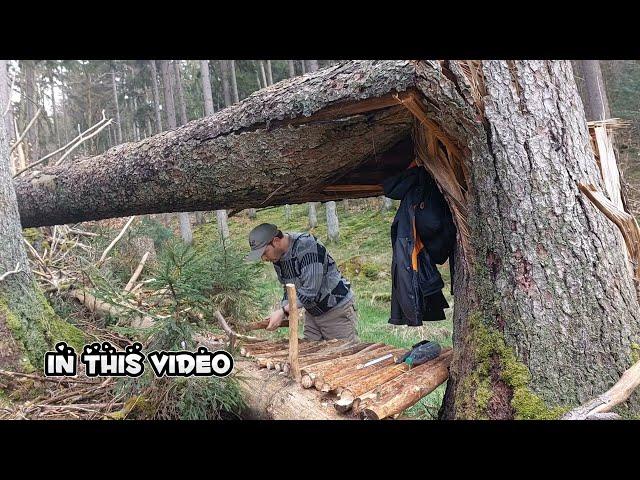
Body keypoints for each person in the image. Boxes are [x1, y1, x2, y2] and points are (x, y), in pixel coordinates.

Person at [245, 223, 358, 342]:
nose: (264, 258)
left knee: (342, 353)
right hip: (312, 313)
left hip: (335, 310)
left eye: (264, 252)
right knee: (310, 353)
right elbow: (288, 287)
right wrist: (284, 309)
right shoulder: (277, 257)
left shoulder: (306, 246)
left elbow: (311, 290)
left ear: (276, 241)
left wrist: (283, 311)